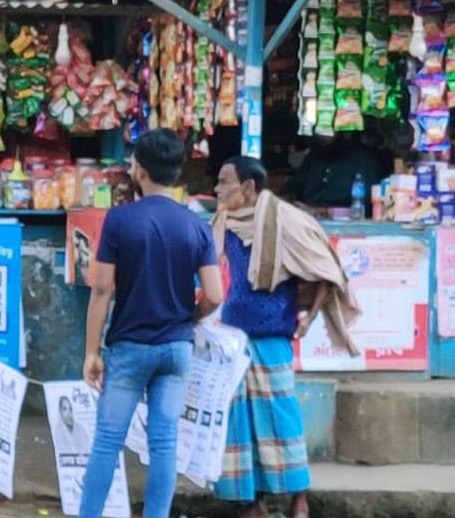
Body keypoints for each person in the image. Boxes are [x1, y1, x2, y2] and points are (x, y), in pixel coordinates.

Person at [79, 128, 224, 518]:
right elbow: (214, 293)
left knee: (108, 441)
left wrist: (92, 351)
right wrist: (188, 318)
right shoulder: (196, 226)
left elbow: (102, 289)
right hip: (177, 349)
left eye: (131, 163)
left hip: (129, 348)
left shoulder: (120, 220)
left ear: (140, 172)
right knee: (164, 443)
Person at [212, 156, 361, 518]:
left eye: (224, 182)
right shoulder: (224, 221)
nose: (217, 189)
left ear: (248, 187)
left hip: (273, 336)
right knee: (241, 425)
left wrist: (310, 318)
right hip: (234, 338)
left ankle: (299, 499)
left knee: (282, 422)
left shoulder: (290, 221)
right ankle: (253, 503)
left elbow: (329, 272)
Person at [285, 133, 382, 214]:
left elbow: (366, 208)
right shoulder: (314, 155)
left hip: (347, 224)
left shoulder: (364, 158)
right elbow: (294, 185)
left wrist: (321, 211)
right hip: (309, 219)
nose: (322, 135)